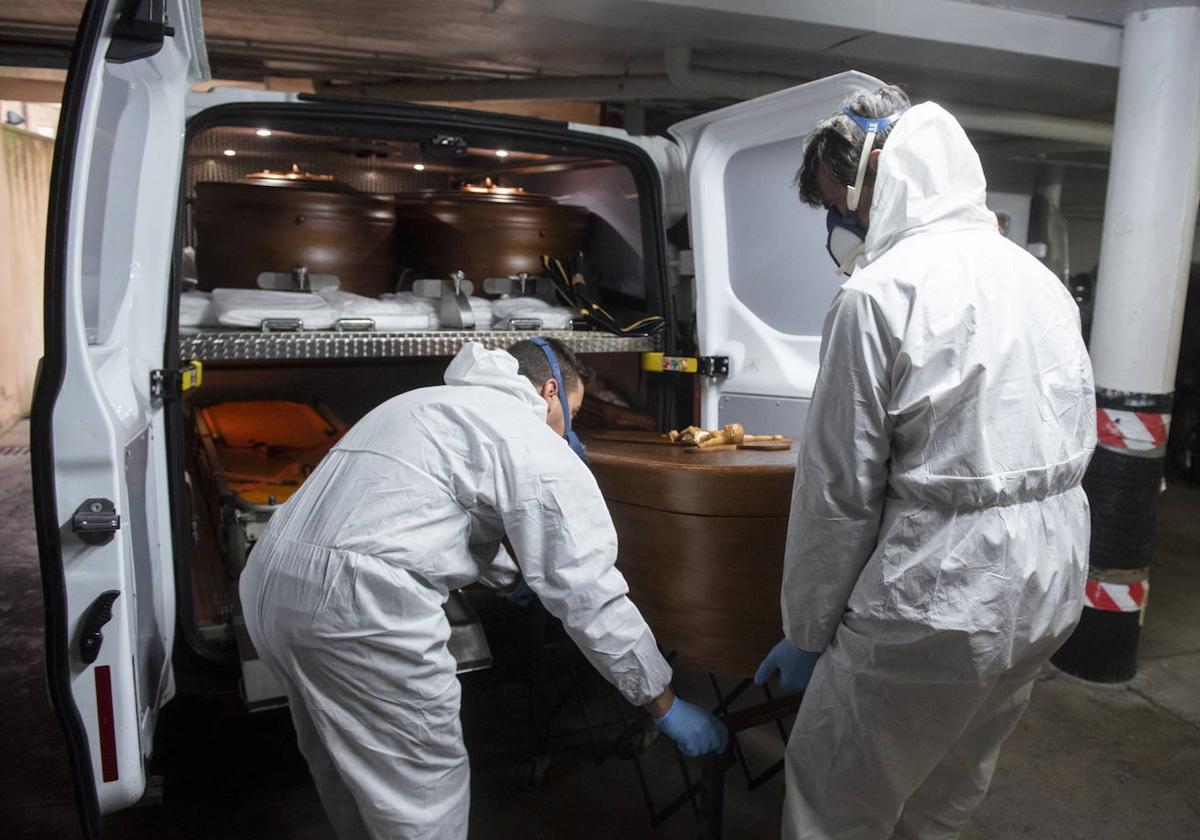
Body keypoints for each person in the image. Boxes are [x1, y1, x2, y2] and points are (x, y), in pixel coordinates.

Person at [753, 86, 1096, 839]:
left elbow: (839, 494)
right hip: (1052, 575)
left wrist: (807, 630)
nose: (843, 226)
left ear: (881, 176)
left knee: (835, 794)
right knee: (953, 779)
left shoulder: (878, 295)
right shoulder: (1036, 278)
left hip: (942, 590)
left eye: (840, 205)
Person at [239, 338, 727, 839]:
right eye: (574, 414)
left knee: (348, 774)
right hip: (358, 610)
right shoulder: (529, 438)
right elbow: (588, 592)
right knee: (421, 801)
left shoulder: (422, 403)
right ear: (549, 391)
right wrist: (663, 702)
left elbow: (429, 510)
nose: (570, 432)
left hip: (269, 584)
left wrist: (512, 578)